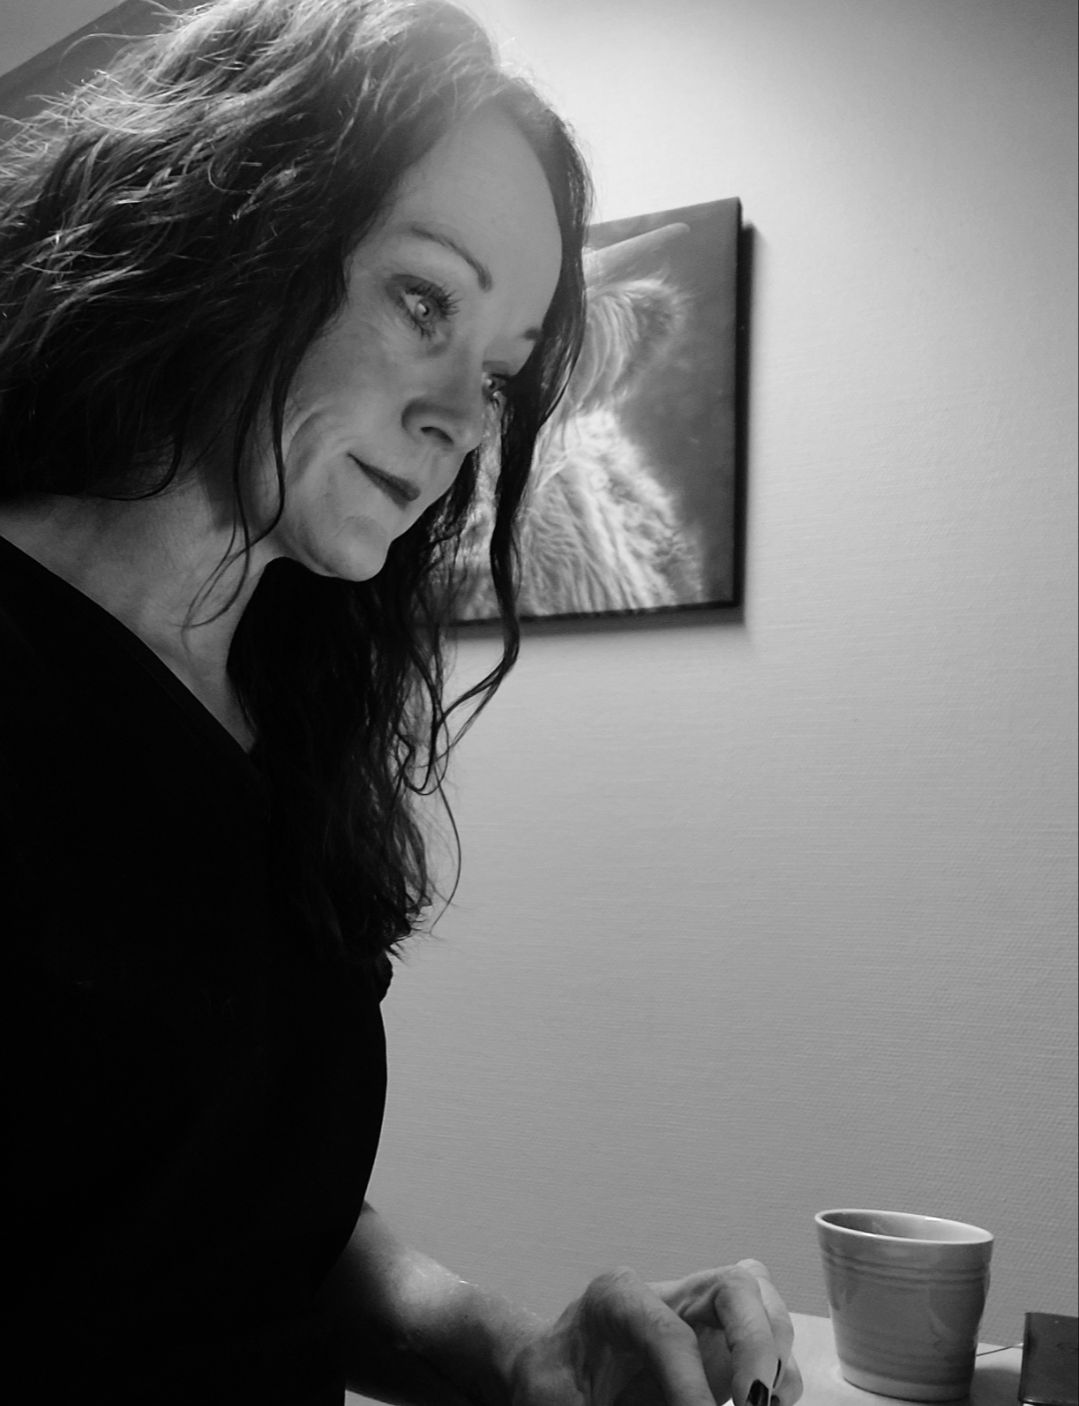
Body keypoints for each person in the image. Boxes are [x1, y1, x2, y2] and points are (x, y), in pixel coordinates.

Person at [0, 1, 803, 1402]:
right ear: (230, 227)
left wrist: (520, 1350)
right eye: (424, 300)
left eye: (497, 372)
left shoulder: (290, 717)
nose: (460, 421)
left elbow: (234, 1214)